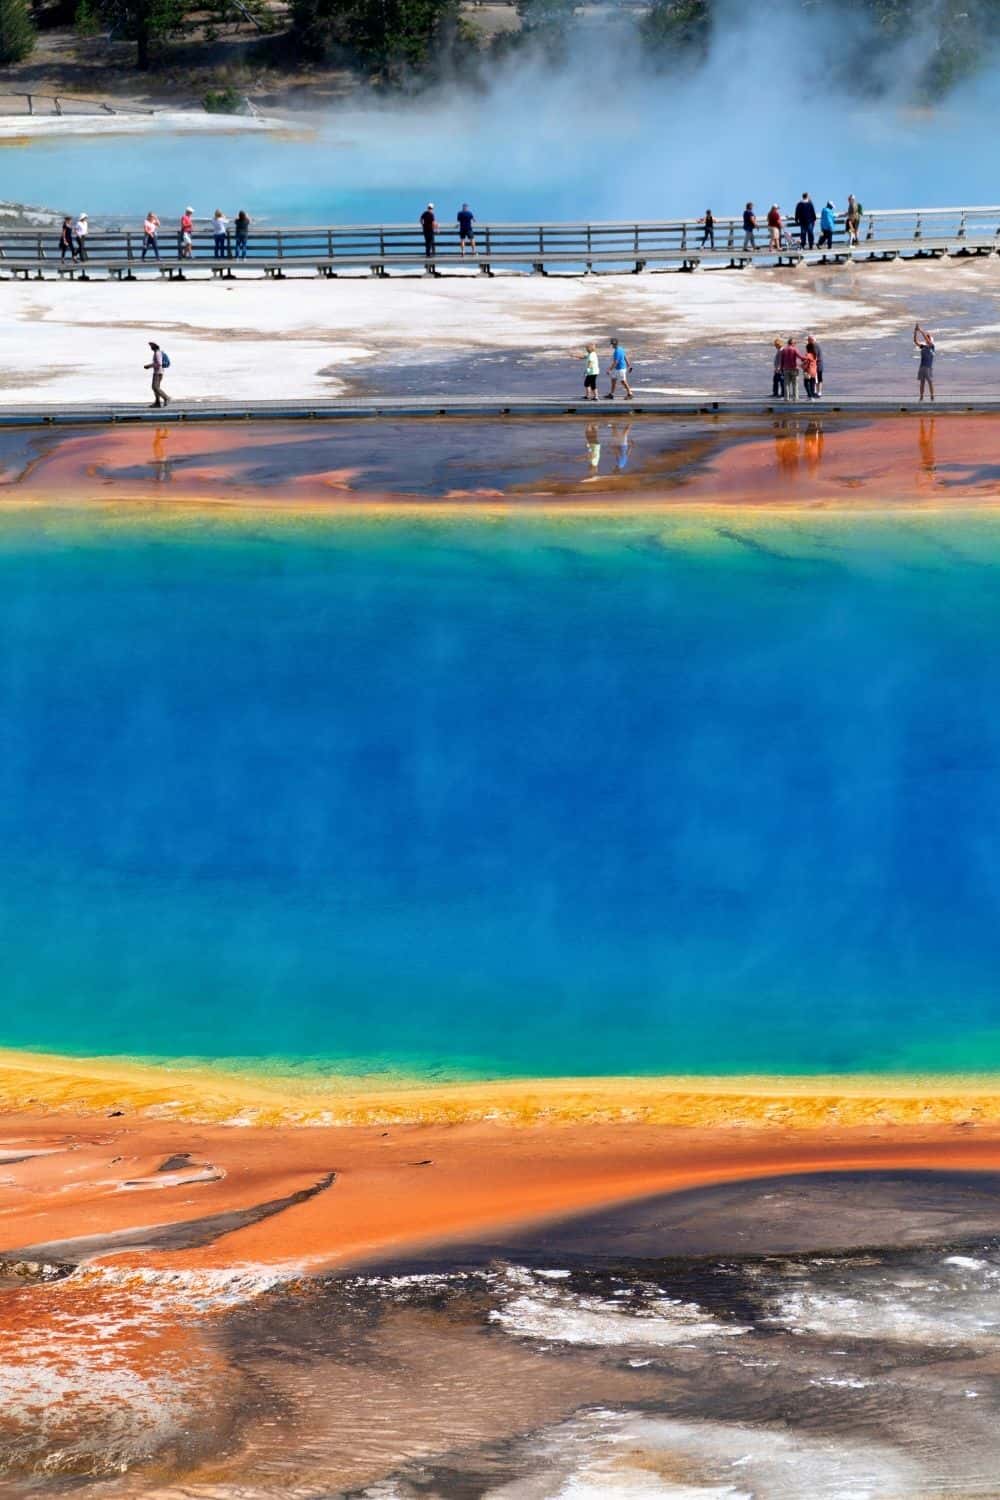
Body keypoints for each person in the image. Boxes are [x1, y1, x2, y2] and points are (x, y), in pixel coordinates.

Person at [144, 341, 171, 408]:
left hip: (158, 372)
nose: (151, 348)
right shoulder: (158, 353)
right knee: (156, 388)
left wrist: (149, 366)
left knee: (155, 387)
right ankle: (157, 402)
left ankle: (166, 398)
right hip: (159, 372)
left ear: (154, 347)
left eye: (151, 346)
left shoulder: (157, 353)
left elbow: (159, 364)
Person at [914, 322, 935, 402]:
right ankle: (921, 397)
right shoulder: (923, 346)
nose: (927, 338)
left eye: (928, 337)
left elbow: (926, 339)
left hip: (928, 367)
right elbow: (915, 341)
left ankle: (932, 397)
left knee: (930, 382)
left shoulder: (932, 346)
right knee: (922, 383)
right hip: (922, 367)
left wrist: (920, 330)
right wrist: (915, 332)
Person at [779, 337, 801, 401]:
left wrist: (781, 369)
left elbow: (782, 360)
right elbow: (800, 357)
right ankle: (795, 398)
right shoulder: (794, 349)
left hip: (786, 369)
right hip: (794, 368)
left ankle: (786, 398)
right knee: (795, 384)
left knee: (786, 384)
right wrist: (808, 358)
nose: (795, 344)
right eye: (795, 343)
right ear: (793, 343)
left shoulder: (784, 350)